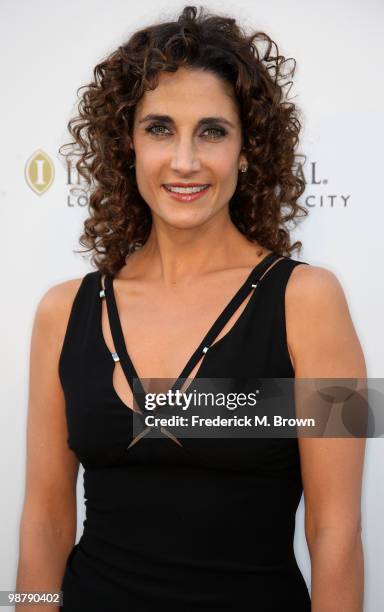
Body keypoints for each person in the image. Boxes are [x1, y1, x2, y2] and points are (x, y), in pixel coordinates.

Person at [16, 5, 366, 611]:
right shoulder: (62, 312)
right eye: (158, 129)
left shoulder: (311, 301)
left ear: (248, 149)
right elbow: (46, 520)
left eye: (212, 131)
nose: (184, 161)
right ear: (126, 145)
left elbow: (335, 533)